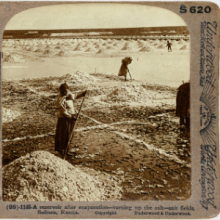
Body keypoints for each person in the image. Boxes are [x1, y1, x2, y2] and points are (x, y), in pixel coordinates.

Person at [55, 83, 86, 156]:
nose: (65, 92)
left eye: (66, 91)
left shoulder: (69, 95)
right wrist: (71, 117)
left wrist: (82, 94)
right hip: (64, 120)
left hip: (71, 118)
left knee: (70, 135)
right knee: (65, 135)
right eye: (63, 91)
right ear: (60, 91)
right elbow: (63, 111)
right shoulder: (60, 99)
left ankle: (67, 149)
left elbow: (75, 96)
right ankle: (63, 151)